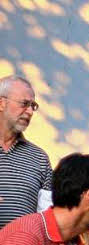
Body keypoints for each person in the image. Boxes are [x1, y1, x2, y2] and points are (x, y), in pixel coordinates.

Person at [0, 75, 52, 229]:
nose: (30, 112)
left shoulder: (39, 159)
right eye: (24, 104)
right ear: (1, 103)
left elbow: (47, 217)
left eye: (33, 106)